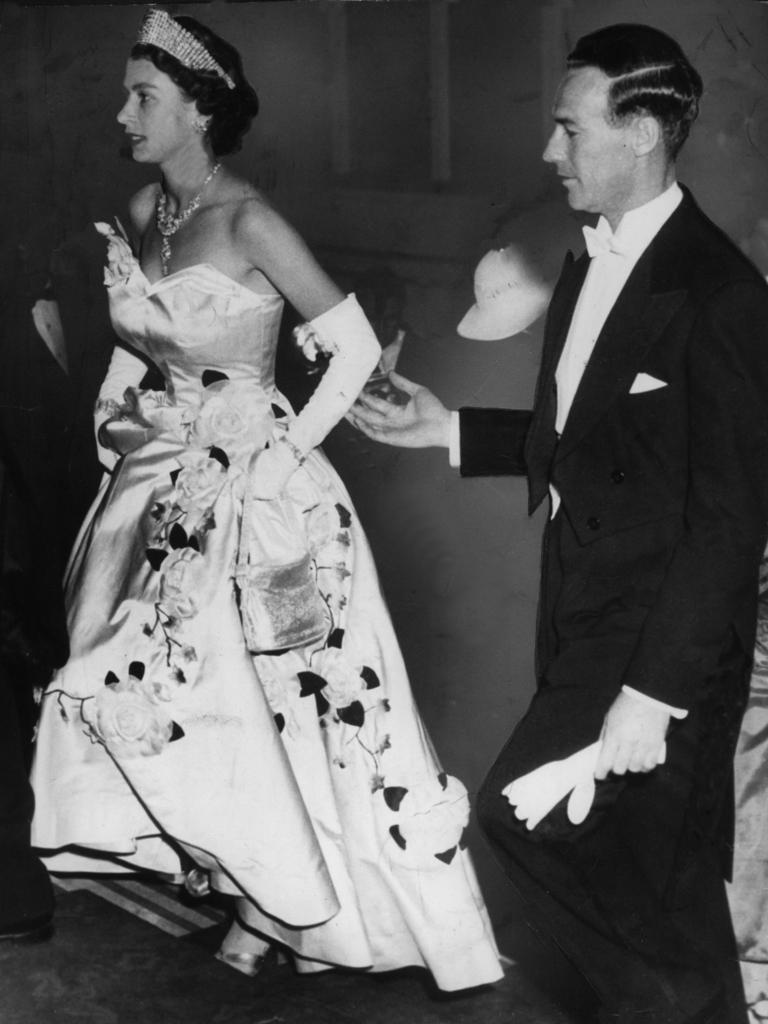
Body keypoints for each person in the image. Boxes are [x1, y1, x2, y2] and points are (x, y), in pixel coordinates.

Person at [29, 7, 502, 991]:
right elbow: (135, 339)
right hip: (158, 484)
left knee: (289, 699)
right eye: (126, 94)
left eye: (142, 97)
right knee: (166, 687)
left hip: (266, 503)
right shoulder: (139, 209)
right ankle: (238, 876)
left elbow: (355, 348)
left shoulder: (249, 219)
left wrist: (282, 444)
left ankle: (290, 912)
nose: (123, 112)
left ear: (198, 112)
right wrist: (120, 416)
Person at [350, 22, 768, 1024]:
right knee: (660, 883)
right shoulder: (587, 263)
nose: (548, 152)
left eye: (567, 129)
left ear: (641, 135)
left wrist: (653, 694)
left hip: (658, 641)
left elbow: (729, 518)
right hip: (581, 608)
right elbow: (585, 435)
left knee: (518, 819)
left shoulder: (723, 297)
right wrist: (447, 427)